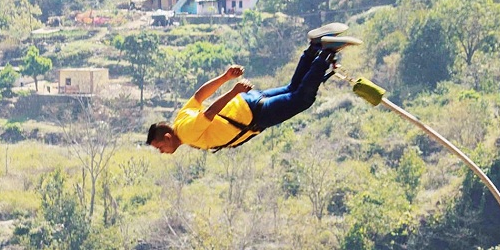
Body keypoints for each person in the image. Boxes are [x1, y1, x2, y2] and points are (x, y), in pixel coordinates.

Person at [146, 23, 361, 154]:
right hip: (247, 104)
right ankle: (314, 47)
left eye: (160, 148)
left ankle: (324, 53)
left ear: (166, 138)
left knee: (301, 99)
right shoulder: (180, 119)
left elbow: (209, 113)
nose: (162, 152)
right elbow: (199, 96)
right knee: (294, 88)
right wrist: (225, 77)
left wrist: (233, 91)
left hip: (251, 114)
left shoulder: (186, 132)